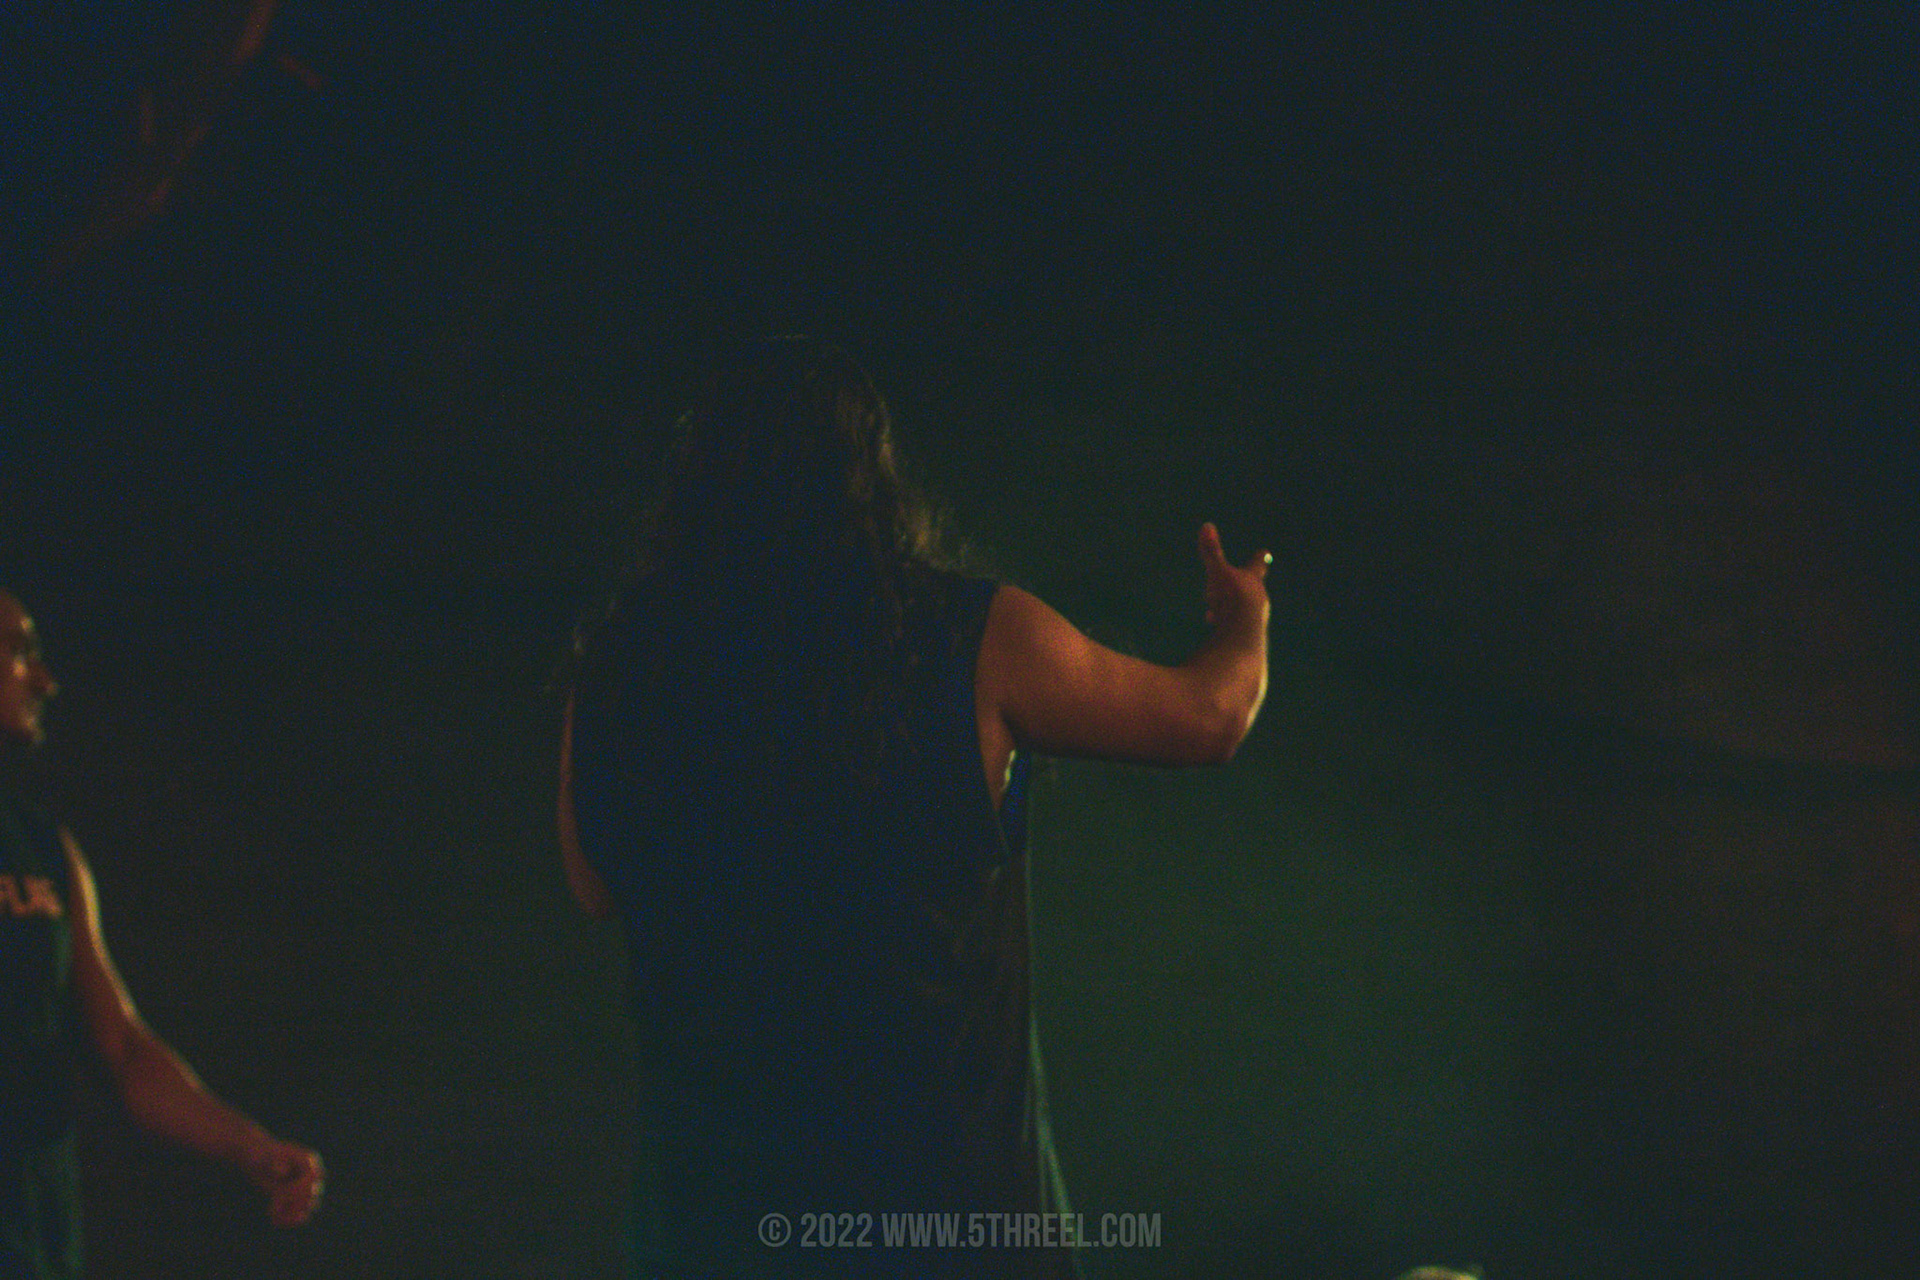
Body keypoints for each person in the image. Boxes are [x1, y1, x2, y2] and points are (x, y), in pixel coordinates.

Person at [557, 338, 1268, 1278]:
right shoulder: (971, 639)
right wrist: (1245, 622)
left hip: (712, 1234)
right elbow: (1209, 718)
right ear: (870, 480)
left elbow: (594, 885)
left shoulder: (617, 673)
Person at [0, 589, 323, 1278]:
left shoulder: (45, 849)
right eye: (21, 651)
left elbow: (122, 1047)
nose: (46, 680)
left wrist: (246, 1145)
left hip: (36, 1243)